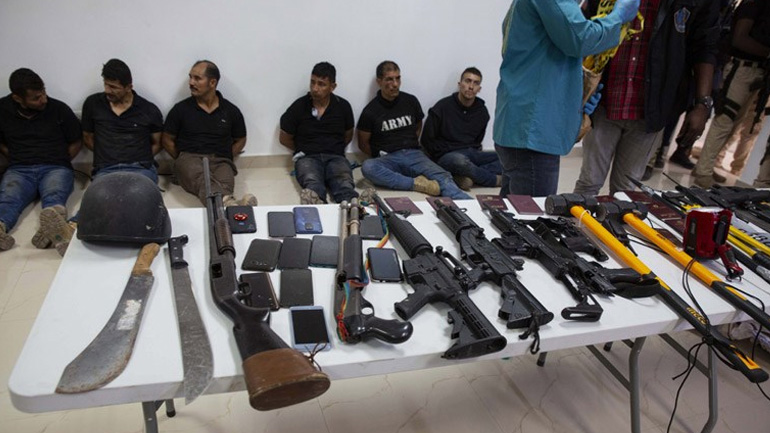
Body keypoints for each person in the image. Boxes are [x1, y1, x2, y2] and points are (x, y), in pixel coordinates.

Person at [574, 0, 719, 196]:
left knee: (626, 189)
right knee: (589, 182)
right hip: (604, 99)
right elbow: (584, 27)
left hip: (651, 106)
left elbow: (704, 47)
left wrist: (702, 103)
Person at [494, 0, 638, 197]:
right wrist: (618, 17)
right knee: (532, 213)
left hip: (521, 124)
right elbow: (581, 39)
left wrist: (576, 94)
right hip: (533, 132)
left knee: (513, 209)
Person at [357, 61, 470, 200]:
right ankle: (417, 184)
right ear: (379, 81)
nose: (395, 84)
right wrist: (380, 154)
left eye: (398, 78)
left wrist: (411, 145)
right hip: (388, 157)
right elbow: (363, 143)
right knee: (368, 167)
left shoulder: (410, 101)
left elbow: (418, 125)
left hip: (413, 154)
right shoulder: (370, 111)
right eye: (389, 79)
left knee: (443, 177)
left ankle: (468, 204)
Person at [0, 68, 81, 254]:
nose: (43, 99)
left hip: (55, 166)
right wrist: (12, 156)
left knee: (54, 196)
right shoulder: (2, 110)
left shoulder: (59, 109)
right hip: (19, 168)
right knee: (8, 199)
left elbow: (77, 140)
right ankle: (1, 227)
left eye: (43, 93)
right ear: (18, 98)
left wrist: (62, 160)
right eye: (36, 98)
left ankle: (54, 230)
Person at [692, 0, 770, 187]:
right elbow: (739, 38)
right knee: (725, 120)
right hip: (740, 69)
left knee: (733, 124)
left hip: (756, 71)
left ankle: (706, 166)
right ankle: (703, 171)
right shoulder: (753, 4)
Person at [162, 60, 255, 206]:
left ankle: (228, 203)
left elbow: (241, 139)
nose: (191, 82)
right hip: (190, 158)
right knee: (201, 179)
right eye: (190, 77)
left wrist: (227, 155)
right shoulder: (180, 109)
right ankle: (231, 205)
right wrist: (181, 159)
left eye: (197, 78)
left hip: (220, 160)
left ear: (212, 83)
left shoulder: (230, 110)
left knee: (226, 183)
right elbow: (167, 139)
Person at [279, 62, 358, 204]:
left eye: (321, 84)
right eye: (312, 82)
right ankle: (317, 206)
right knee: (312, 182)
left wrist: (333, 148)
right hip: (308, 157)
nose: (315, 88)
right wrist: (303, 148)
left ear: (332, 87)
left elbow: (348, 135)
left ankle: (352, 208)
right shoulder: (299, 106)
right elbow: (284, 138)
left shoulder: (343, 106)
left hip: (335, 156)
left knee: (344, 182)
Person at [81, 59, 163, 182]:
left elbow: (158, 142)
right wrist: (107, 154)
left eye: (113, 87)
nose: (107, 90)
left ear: (129, 87)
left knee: (140, 192)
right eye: (106, 84)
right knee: (103, 193)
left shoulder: (149, 109)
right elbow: (87, 137)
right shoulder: (93, 104)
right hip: (106, 169)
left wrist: (141, 158)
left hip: (140, 168)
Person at [421, 67, 501, 191]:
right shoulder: (442, 107)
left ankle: (464, 176)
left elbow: (477, 141)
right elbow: (426, 141)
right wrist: (448, 149)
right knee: (460, 161)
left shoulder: (482, 111)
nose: (471, 86)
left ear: (479, 89)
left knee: (506, 158)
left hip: (471, 154)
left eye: (476, 83)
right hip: (447, 156)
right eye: (467, 81)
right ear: (460, 84)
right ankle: (493, 180)